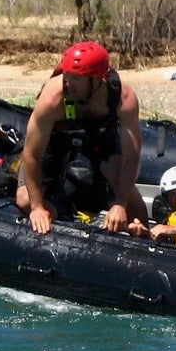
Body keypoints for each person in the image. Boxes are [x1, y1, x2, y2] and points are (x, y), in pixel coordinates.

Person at [16, 41, 149, 236]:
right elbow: (31, 154)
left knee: (132, 203)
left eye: (77, 78)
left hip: (99, 137)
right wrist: (37, 207)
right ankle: (60, 214)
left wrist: (120, 203)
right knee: (24, 199)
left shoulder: (124, 99)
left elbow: (132, 157)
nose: (68, 82)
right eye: (66, 74)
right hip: (57, 137)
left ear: (96, 80)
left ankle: (142, 236)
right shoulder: (52, 98)